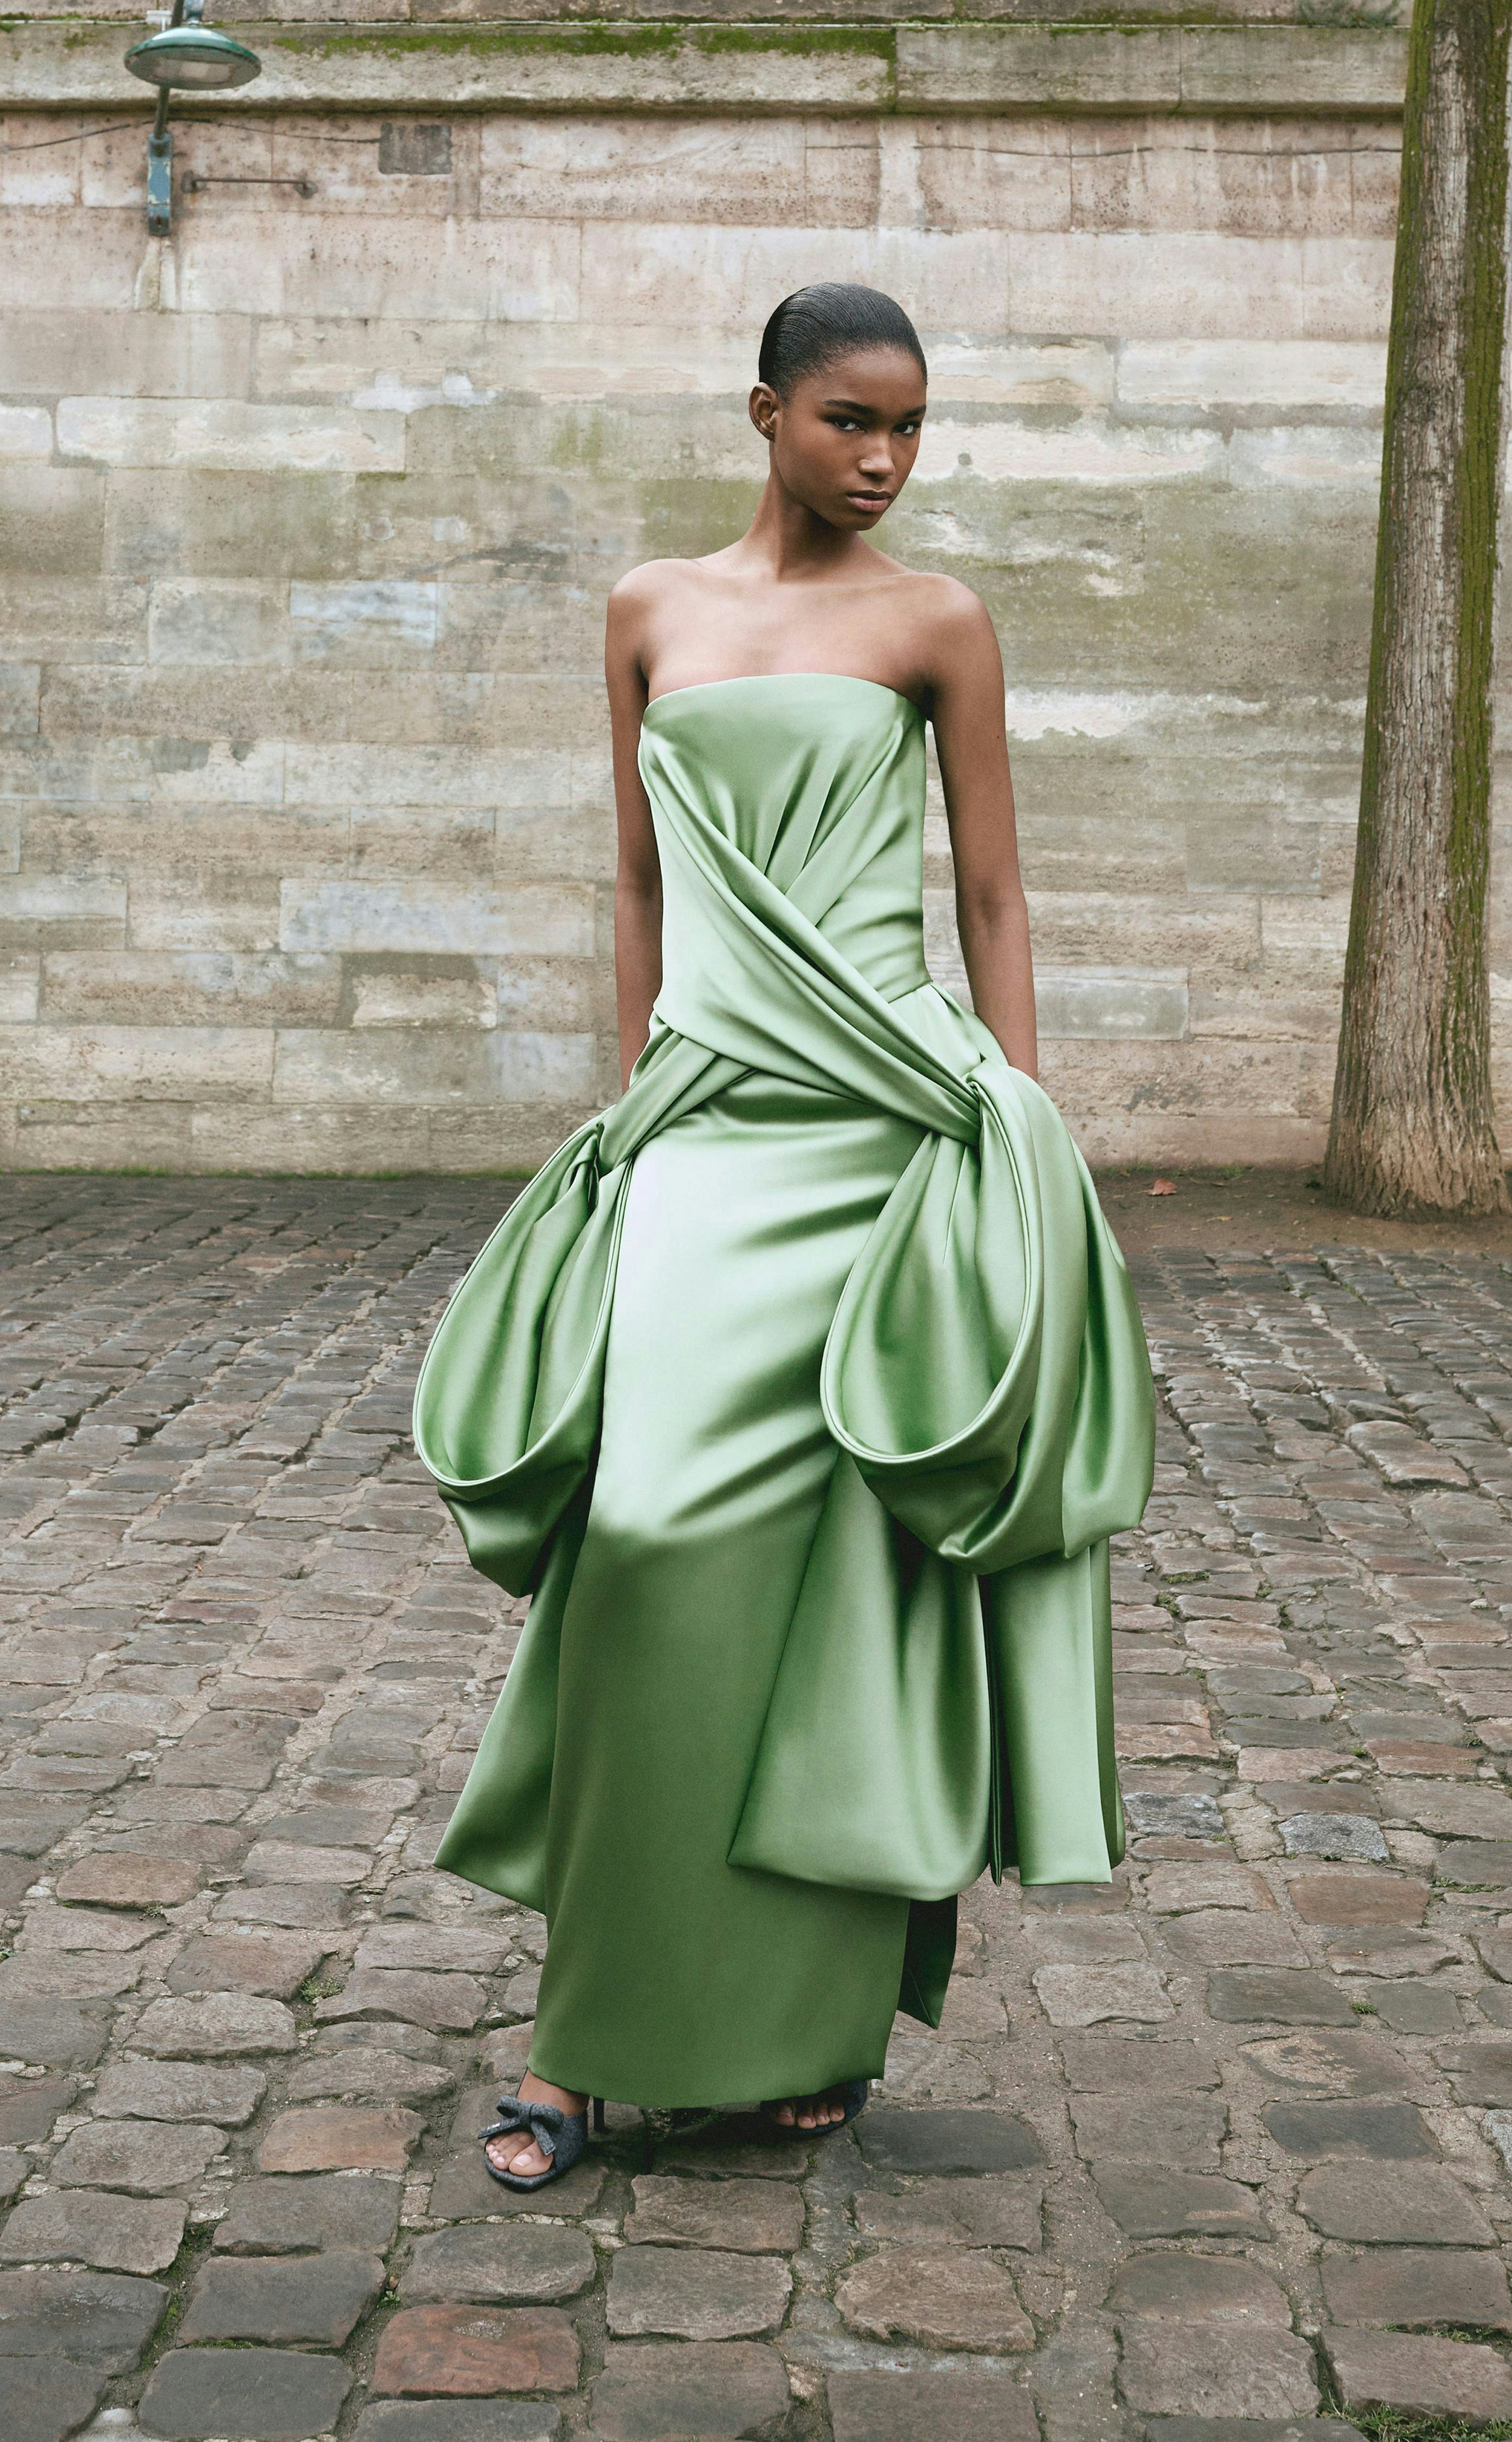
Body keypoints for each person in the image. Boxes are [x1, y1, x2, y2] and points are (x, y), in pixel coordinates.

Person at [415, 283, 1155, 2189]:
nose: (885, 459)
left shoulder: (936, 621)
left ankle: (800, 2030)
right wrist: (627, 1112)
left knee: (843, 1594)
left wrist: (1021, 1134)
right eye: (849, 420)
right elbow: (640, 879)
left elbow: (990, 893)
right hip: (708, 1133)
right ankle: (583, 2043)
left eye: (910, 426)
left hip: (889, 1127)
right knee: (647, 1545)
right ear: (764, 412)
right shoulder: (647, 608)